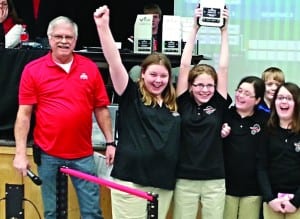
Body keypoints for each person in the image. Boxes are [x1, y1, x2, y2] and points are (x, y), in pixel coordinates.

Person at [13, 16, 115, 219]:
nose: (64, 41)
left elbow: (101, 109)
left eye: (69, 37)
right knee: (53, 213)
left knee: (92, 212)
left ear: (75, 40)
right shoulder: (33, 70)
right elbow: (24, 115)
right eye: (58, 36)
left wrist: (110, 142)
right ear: (49, 39)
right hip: (49, 154)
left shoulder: (90, 68)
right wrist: (20, 153)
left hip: (83, 154)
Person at [94, 5, 181, 219]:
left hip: (163, 183)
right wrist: (103, 26)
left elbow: (187, 67)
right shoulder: (130, 94)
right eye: (153, 74)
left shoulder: (175, 103)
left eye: (163, 76)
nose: (158, 80)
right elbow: (114, 61)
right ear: (142, 74)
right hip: (130, 180)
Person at [173, 6, 230, 219]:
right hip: (185, 179)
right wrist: (194, 28)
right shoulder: (183, 102)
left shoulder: (218, 101)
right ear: (190, 86)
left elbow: (223, 68)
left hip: (214, 180)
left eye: (209, 85)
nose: (205, 90)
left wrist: (224, 31)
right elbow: (185, 64)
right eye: (199, 85)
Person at [222, 76, 269, 219]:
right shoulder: (225, 115)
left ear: (257, 100)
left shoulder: (265, 120)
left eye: (247, 94)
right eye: (239, 91)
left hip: (253, 188)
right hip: (226, 187)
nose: (240, 96)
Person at [257, 82, 300, 219]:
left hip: (297, 202)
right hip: (272, 202)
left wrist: (295, 201)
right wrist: (270, 198)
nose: (283, 101)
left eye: (288, 98)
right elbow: (261, 167)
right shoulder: (266, 130)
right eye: (280, 97)